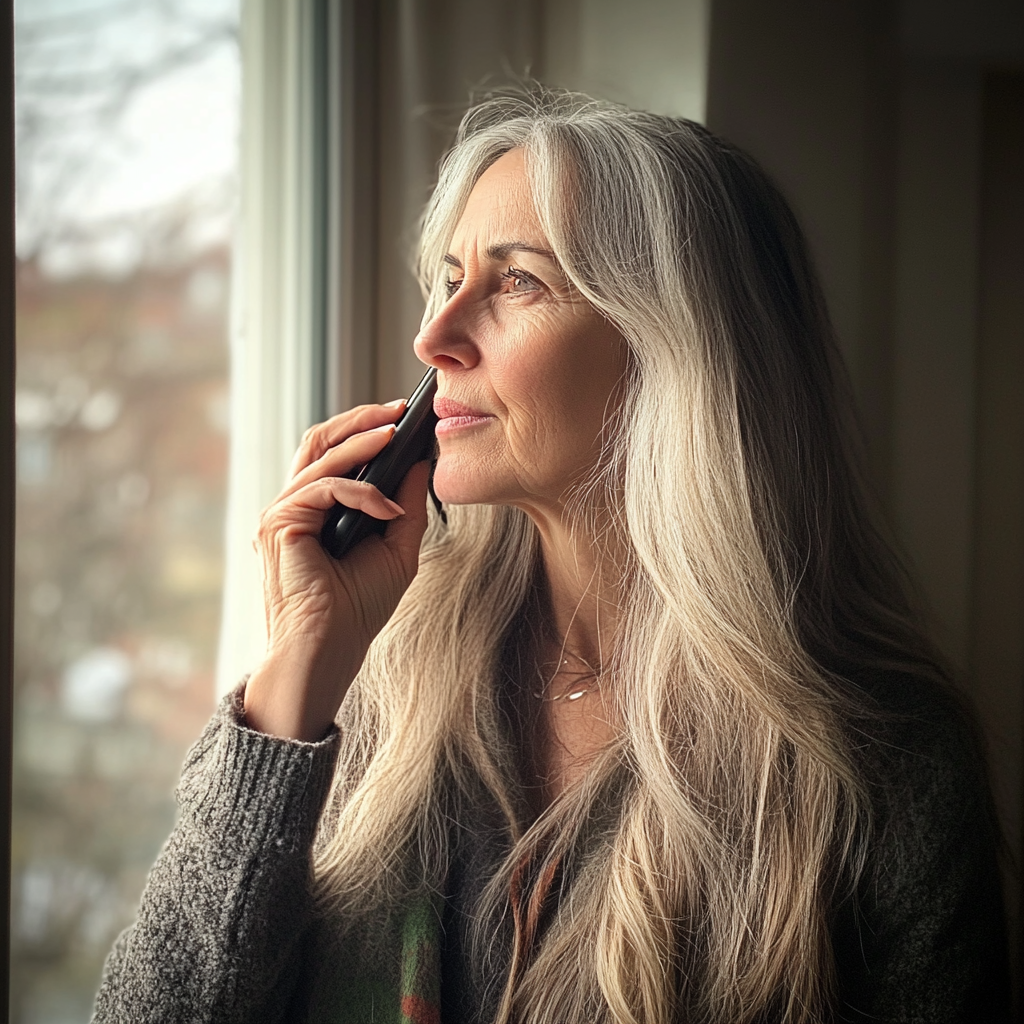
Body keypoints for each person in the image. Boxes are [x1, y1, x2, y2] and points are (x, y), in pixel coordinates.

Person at [91, 85, 1009, 1024]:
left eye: (518, 281)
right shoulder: (380, 674)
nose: (433, 337)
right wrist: (297, 675)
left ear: (671, 346)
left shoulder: (879, 766)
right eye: (450, 280)